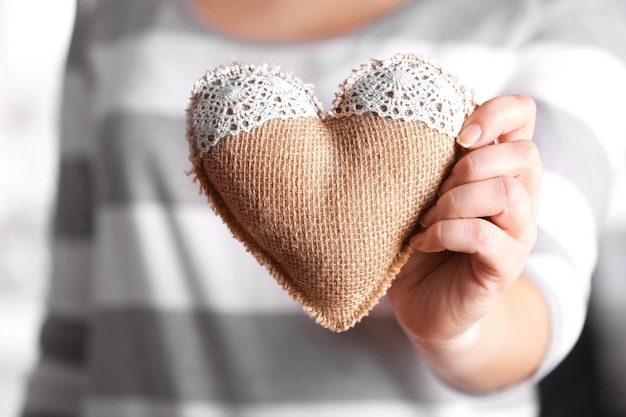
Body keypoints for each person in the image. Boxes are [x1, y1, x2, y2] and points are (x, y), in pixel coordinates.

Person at [21, 0, 626, 416]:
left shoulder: (558, 10)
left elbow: (547, 301)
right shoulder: (115, 11)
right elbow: (76, 324)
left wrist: (458, 329)